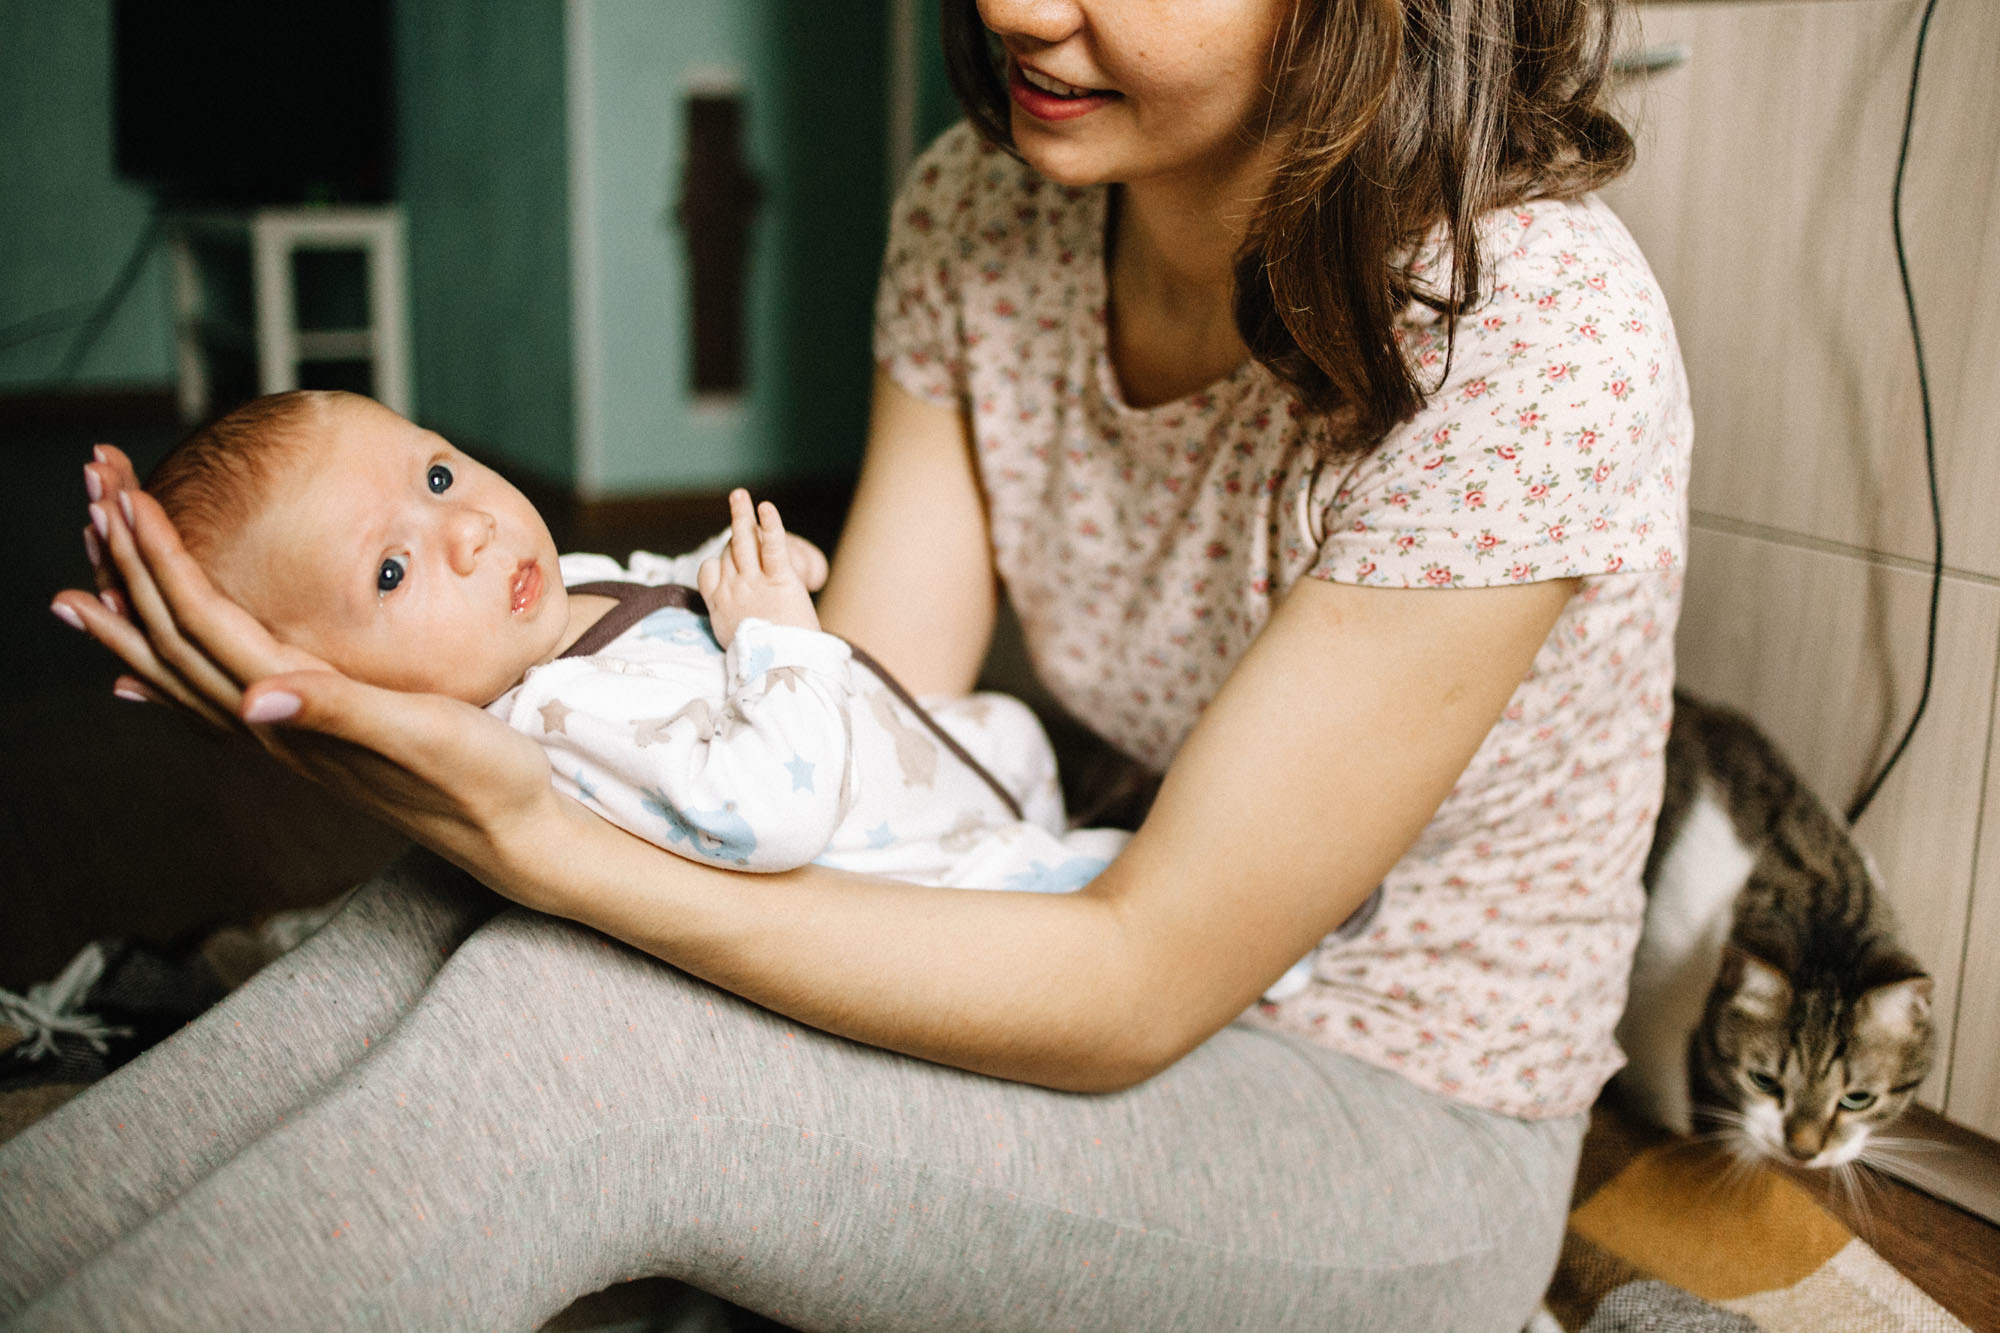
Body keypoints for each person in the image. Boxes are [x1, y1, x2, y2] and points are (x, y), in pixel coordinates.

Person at [17, 0, 1688, 1328]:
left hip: (1383, 1123)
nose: (1018, 9)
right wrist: (477, 776)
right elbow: (852, 712)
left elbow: (1135, 988)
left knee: (570, 1020)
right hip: (1052, 911)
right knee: (468, 907)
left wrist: (538, 835)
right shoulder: (986, 197)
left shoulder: (1524, 333)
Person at [134, 387, 1133, 896]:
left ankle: (1046, 808)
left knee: (1006, 730)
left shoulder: (550, 592)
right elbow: (765, 818)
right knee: (1108, 881)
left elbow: (661, 604)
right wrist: (778, 635)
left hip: (910, 750)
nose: (469, 528)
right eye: (392, 570)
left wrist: (730, 566)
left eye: (435, 477)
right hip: (922, 868)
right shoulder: (555, 724)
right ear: (346, 683)